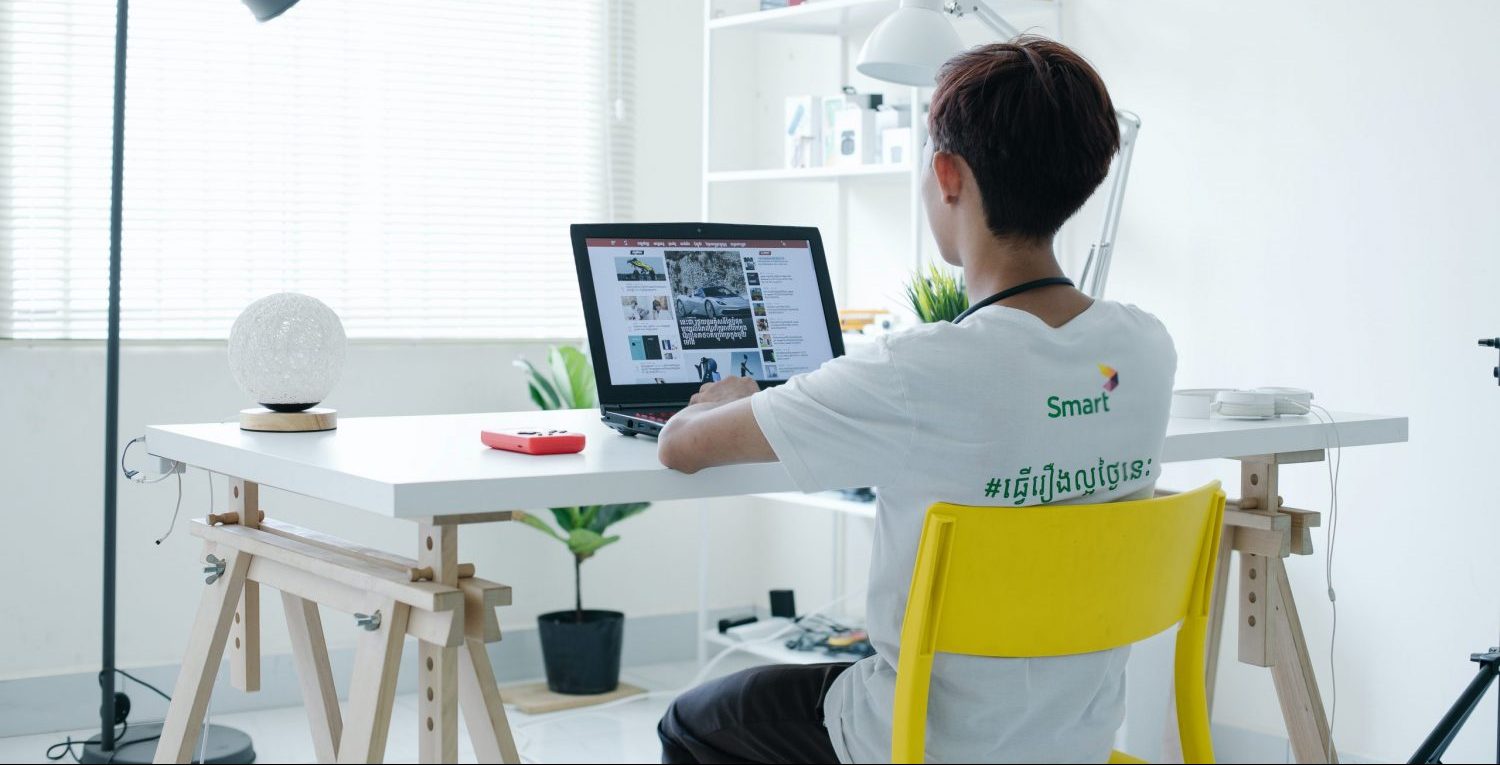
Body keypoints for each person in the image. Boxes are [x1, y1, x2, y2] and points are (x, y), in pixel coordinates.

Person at [656, 37, 1176, 764]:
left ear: (948, 174)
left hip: (920, 739)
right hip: (1077, 738)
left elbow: (680, 448)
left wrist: (728, 397)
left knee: (692, 720)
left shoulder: (915, 369)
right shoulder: (1147, 349)